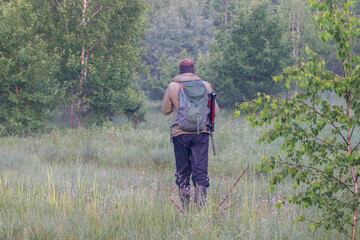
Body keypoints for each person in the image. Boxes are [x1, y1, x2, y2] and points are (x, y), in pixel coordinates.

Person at [161, 59, 219, 207]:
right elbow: (215, 111)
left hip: (180, 134)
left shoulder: (173, 86)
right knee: (200, 172)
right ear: (193, 70)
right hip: (201, 133)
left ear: (180, 70)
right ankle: (200, 209)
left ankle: (186, 209)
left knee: (183, 172)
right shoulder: (205, 86)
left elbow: (166, 110)